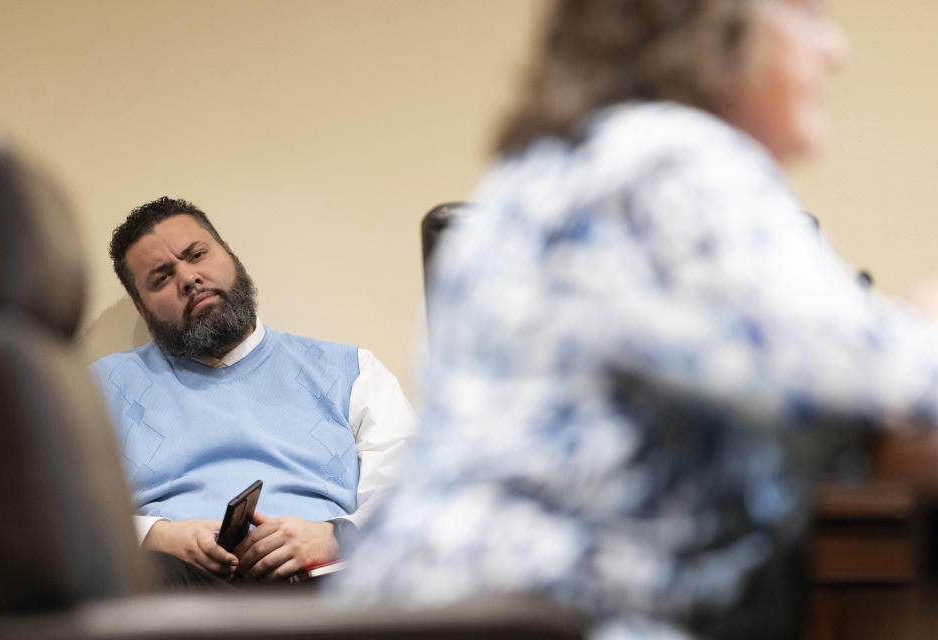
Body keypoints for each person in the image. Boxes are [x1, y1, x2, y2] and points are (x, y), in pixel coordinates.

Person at [336, 0, 938, 638]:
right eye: (806, 15)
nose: (836, 51)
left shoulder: (548, 170)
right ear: (714, 27)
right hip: (539, 619)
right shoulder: (665, 161)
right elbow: (881, 378)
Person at [90, 196, 416, 583]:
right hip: (180, 593)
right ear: (142, 309)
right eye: (161, 277)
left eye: (197, 255)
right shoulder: (97, 390)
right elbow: (58, 510)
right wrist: (153, 536)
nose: (189, 279)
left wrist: (334, 536)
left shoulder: (354, 372)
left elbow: (416, 497)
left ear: (230, 254)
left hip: (325, 586)